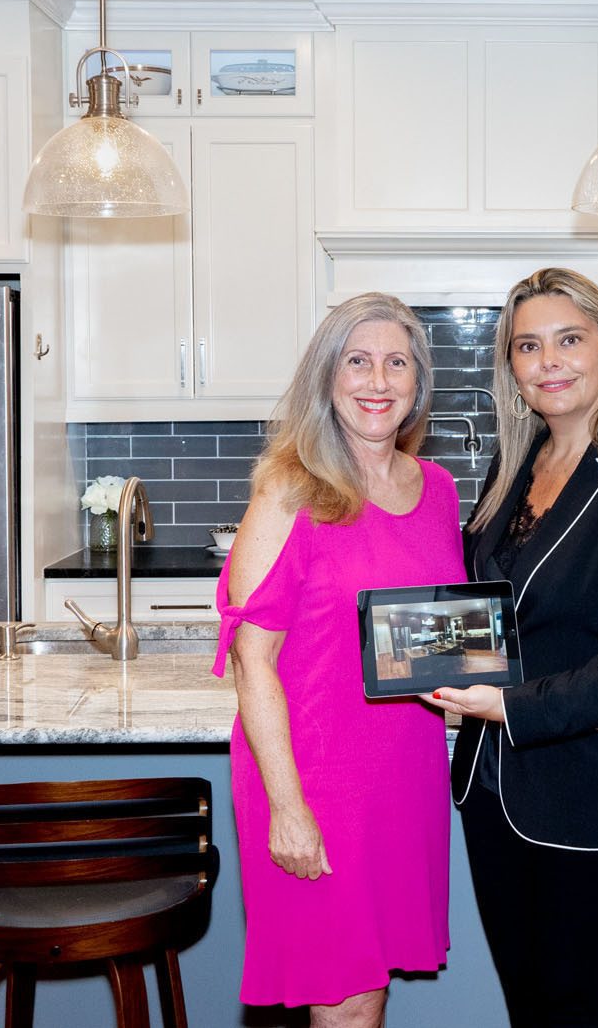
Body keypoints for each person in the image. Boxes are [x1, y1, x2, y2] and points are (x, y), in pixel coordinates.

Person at [427, 268, 598, 1027]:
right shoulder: (513, 469)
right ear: (511, 367)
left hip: (586, 788)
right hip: (488, 787)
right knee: (529, 1006)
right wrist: (436, 672)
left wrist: (510, 707)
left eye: (570, 339)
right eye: (528, 346)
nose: (548, 360)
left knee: (569, 1009)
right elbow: (493, 614)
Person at [214, 293, 458, 1026]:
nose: (377, 380)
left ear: (418, 381)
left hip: (403, 771)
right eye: (357, 361)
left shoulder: (437, 489)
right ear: (327, 378)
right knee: (344, 1001)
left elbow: (428, 632)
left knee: (368, 987)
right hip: (315, 777)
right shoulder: (291, 492)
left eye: (395, 362)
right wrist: (288, 808)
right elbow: (251, 661)